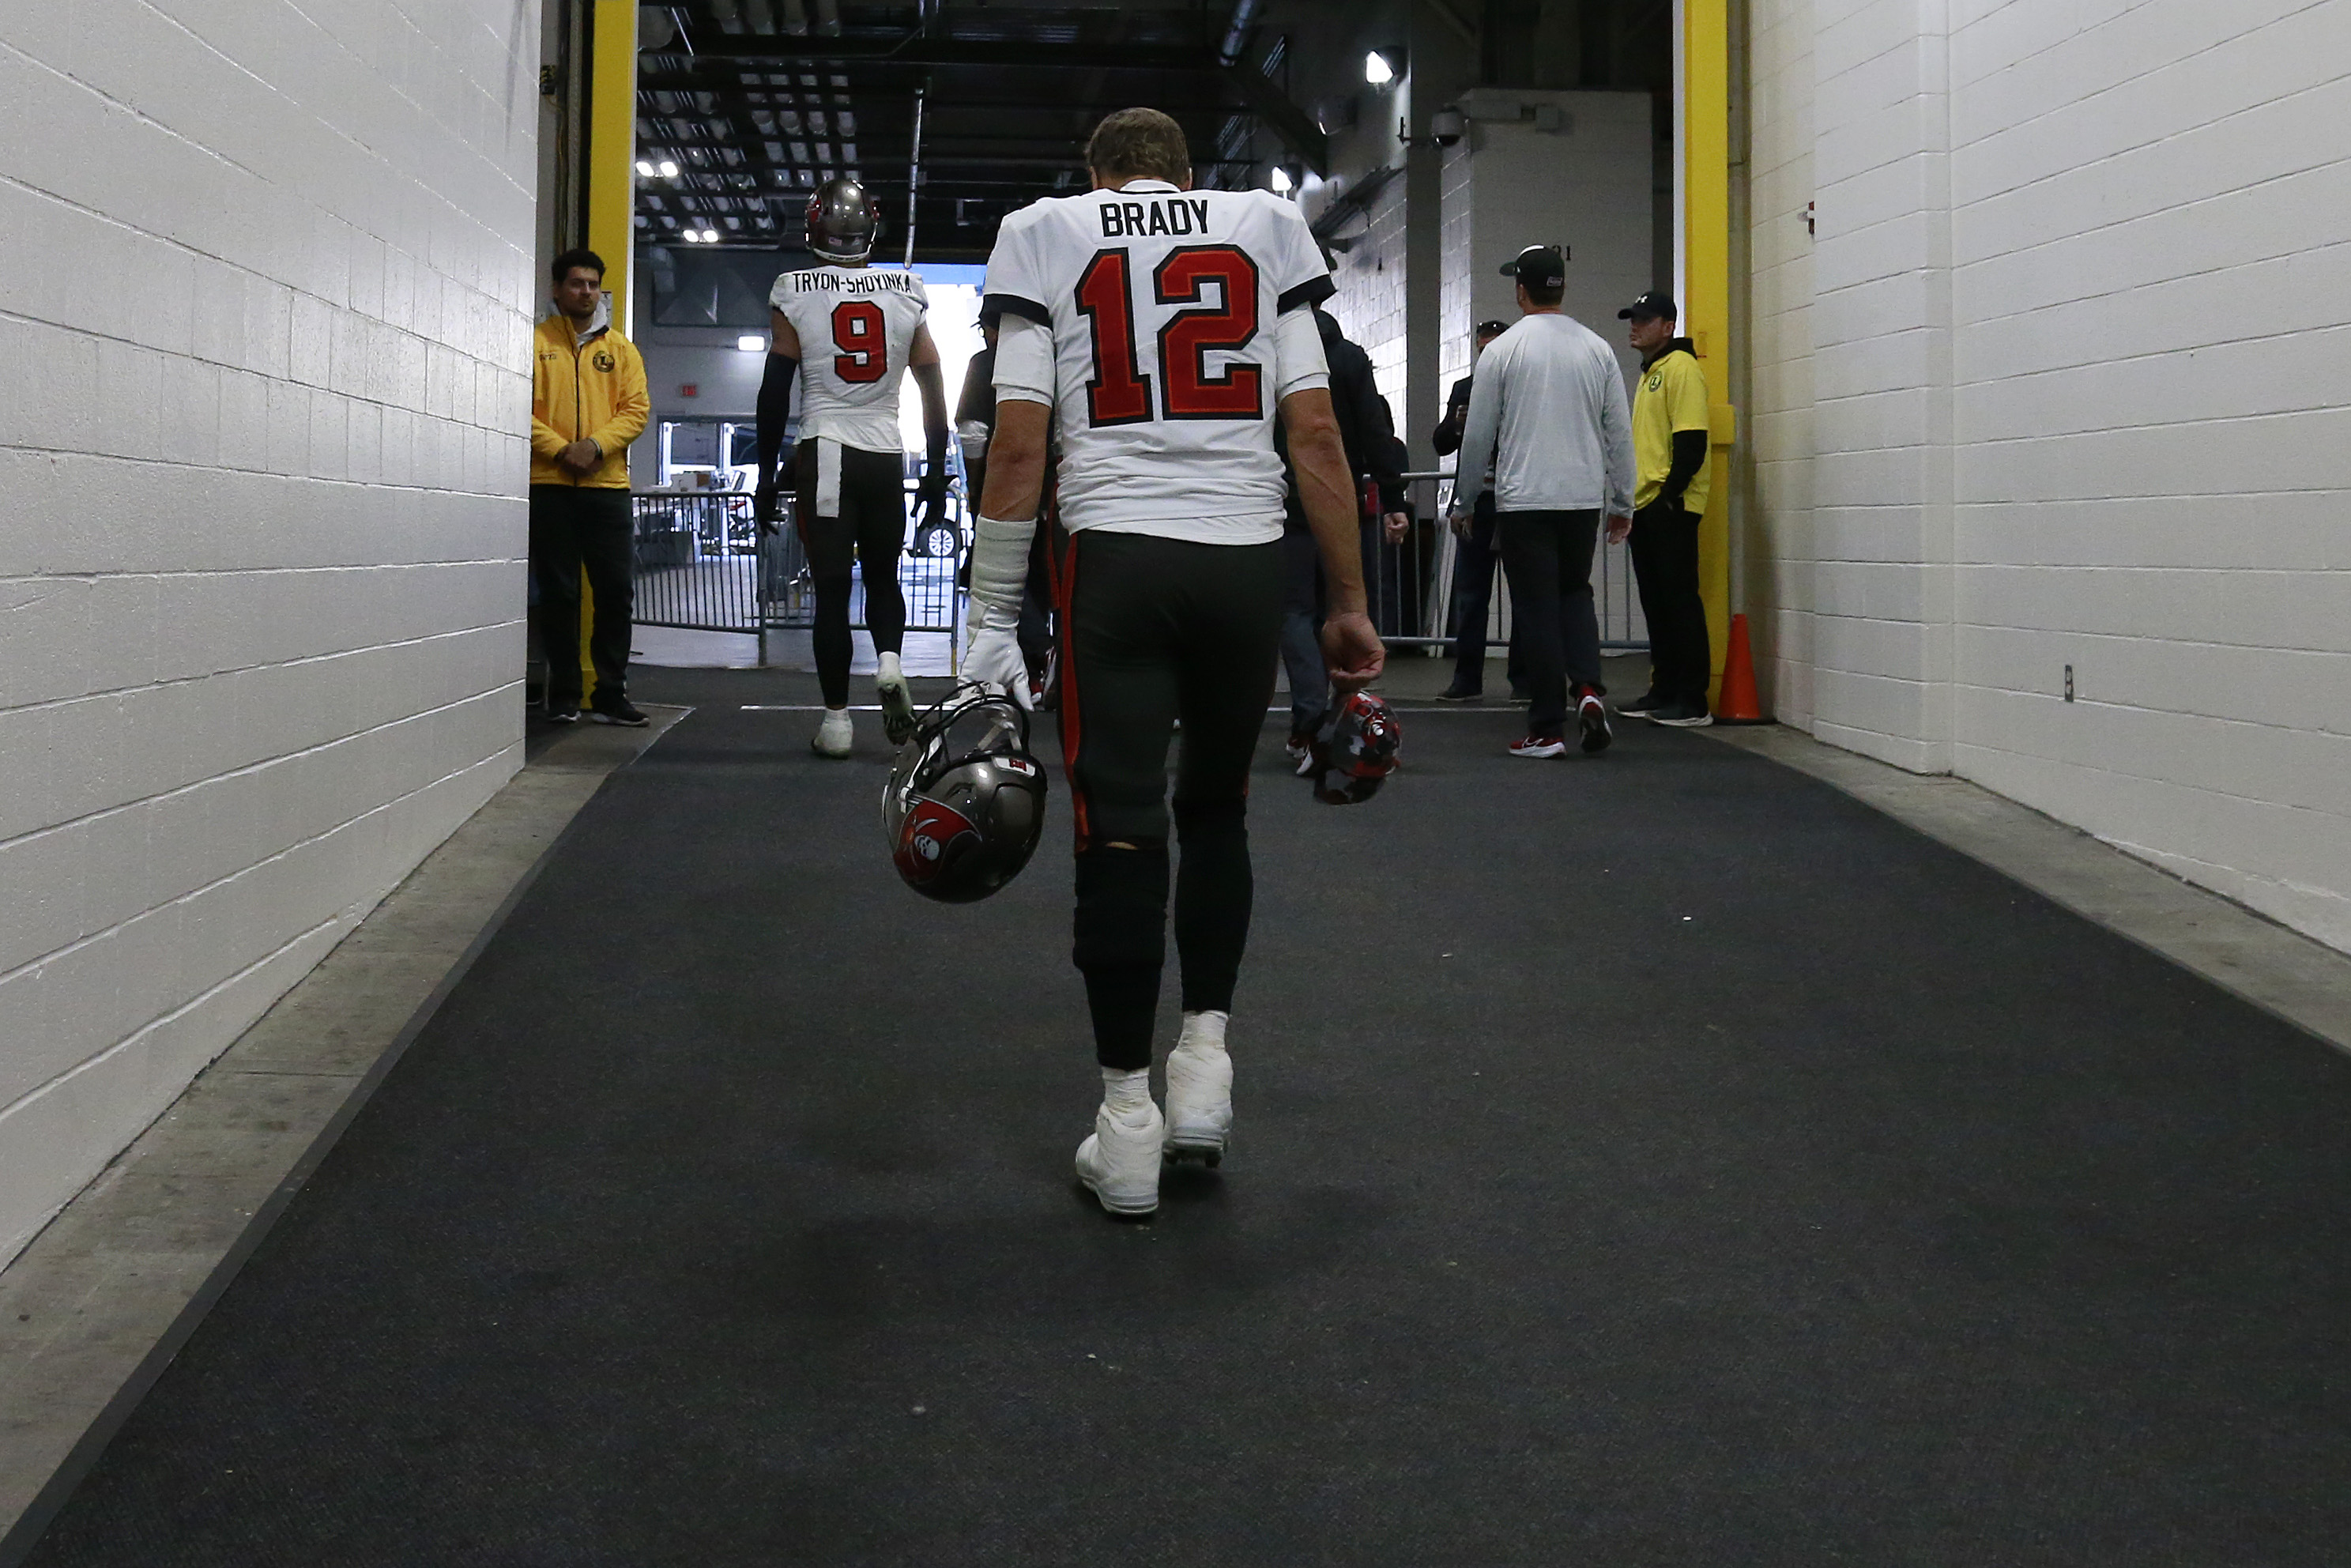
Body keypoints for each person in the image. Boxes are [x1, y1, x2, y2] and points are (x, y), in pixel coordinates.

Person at [962, 107, 1383, 1218]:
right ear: (1184, 175)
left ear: (1095, 174)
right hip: (1244, 560)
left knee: (1117, 830)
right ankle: (1204, 1061)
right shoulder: (1257, 223)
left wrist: (988, 615)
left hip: (1116, 561)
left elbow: (1017, 439)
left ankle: (1128, 1121)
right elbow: (1316, 432)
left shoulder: (1046, 230)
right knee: (1216, 810)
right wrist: (1344, 600)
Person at [753, 177, 951, 756]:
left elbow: (774, 390)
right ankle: (889, 661)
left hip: (825, 448)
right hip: (885, 451)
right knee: (885, 577)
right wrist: (936, 468)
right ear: (871, 225)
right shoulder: (906, 289)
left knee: (833, 591)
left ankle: (837, 723)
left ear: (815, 227)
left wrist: (767, 476)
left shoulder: (793, 288)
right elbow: (933, 383)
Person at [1451, 245, 1633, 759]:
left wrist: (1463, 501)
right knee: (1575, 595)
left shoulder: (1502, 352)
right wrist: (1623, 501)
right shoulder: (1596, 348)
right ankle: (1589, 689)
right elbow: (1617, 432)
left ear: (1519, 290)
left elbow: (1479, 434)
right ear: (1562, 288)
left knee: (1534, 608)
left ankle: (1547, 728)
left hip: (1523, 500)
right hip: (1580, 499)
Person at [1277, 303, 1408, 771]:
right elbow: (1377, 432)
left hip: (1284, 503)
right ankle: (1342, 720)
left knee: (1296, 614)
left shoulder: (1267, 355)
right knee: (1346, 611)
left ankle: (1308, 722)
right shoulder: (1350, 358)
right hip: (1341, 501)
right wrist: (1394, 498)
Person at [529, 248, 651, 726]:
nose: (586, 292)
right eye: (577, 283)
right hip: (551, 486)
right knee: (558, 593)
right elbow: (518, 407)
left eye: (593, 284)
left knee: (615, 592)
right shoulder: (533, 345)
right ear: (558, 290)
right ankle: (564, 693)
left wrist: (595, 447)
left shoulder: (621, 350)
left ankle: (610, 693)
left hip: (607, 490)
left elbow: (636, 410)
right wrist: (562, 450)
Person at [1618, 290, 1716, 726]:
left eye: (1644, 319)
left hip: (1668, 504)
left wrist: (1669, 496)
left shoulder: (1681, 369)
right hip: (1647, 503)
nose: (1634, 326)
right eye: (1632, 319)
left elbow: (1691, 441)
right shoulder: (1650, 372)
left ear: (1668, 325)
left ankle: (1692, 700)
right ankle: (1665, 689)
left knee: (1679, 602)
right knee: (1657, 604)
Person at [954, 322, 1057, 699]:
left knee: (1011, 582)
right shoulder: (1061, 355)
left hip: (1010, 484)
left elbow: (974, 431)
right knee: (1052, 580)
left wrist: (977, 487)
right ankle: (1053, 663)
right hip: (1065, 483)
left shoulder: (986, 363)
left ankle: (1038, 655)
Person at [1430, 318, 1522, 703]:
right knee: (1471, 595)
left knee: (1525, 593)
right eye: (1482, 351)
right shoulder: (1465, 389)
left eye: (1493, 349)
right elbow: (1440, 443)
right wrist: (1456, 423)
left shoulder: (1521, 387)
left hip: (1515, 498)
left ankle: (1525, 679)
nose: (1488, 357)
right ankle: (1467, 678)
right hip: (1480, 500)